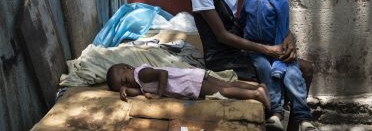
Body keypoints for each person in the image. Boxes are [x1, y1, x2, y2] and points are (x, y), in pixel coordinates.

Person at [190, 0, 315, 131]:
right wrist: (267, 50)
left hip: (242, 47)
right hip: (222, 54)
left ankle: (295, 124)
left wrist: (288, 36)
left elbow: (262, 4)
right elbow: (222, 36)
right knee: (271, 74)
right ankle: (274, 115)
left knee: (305, 68)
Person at [241, 0, 317, 131]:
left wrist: (279, 61)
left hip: (278, 47)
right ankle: (276, 113)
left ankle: (303, 118)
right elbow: (243, 19)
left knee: (292, 74)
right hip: (256, 48)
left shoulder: (281, 0)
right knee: (264, 68)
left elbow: (282, 29)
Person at [106, 63, 271, 110]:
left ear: (128, 68)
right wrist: (126, 91)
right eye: (121, 85)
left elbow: (162, 73)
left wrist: (159, 95)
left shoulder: (140, 74)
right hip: (192, 76)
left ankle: (256, 94)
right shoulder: (139, 82)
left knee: (224, 91)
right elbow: (139, 90)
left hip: (188, 83)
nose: (127, 83)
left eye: (124, 80)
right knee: (227, 84)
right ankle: (258, 87)